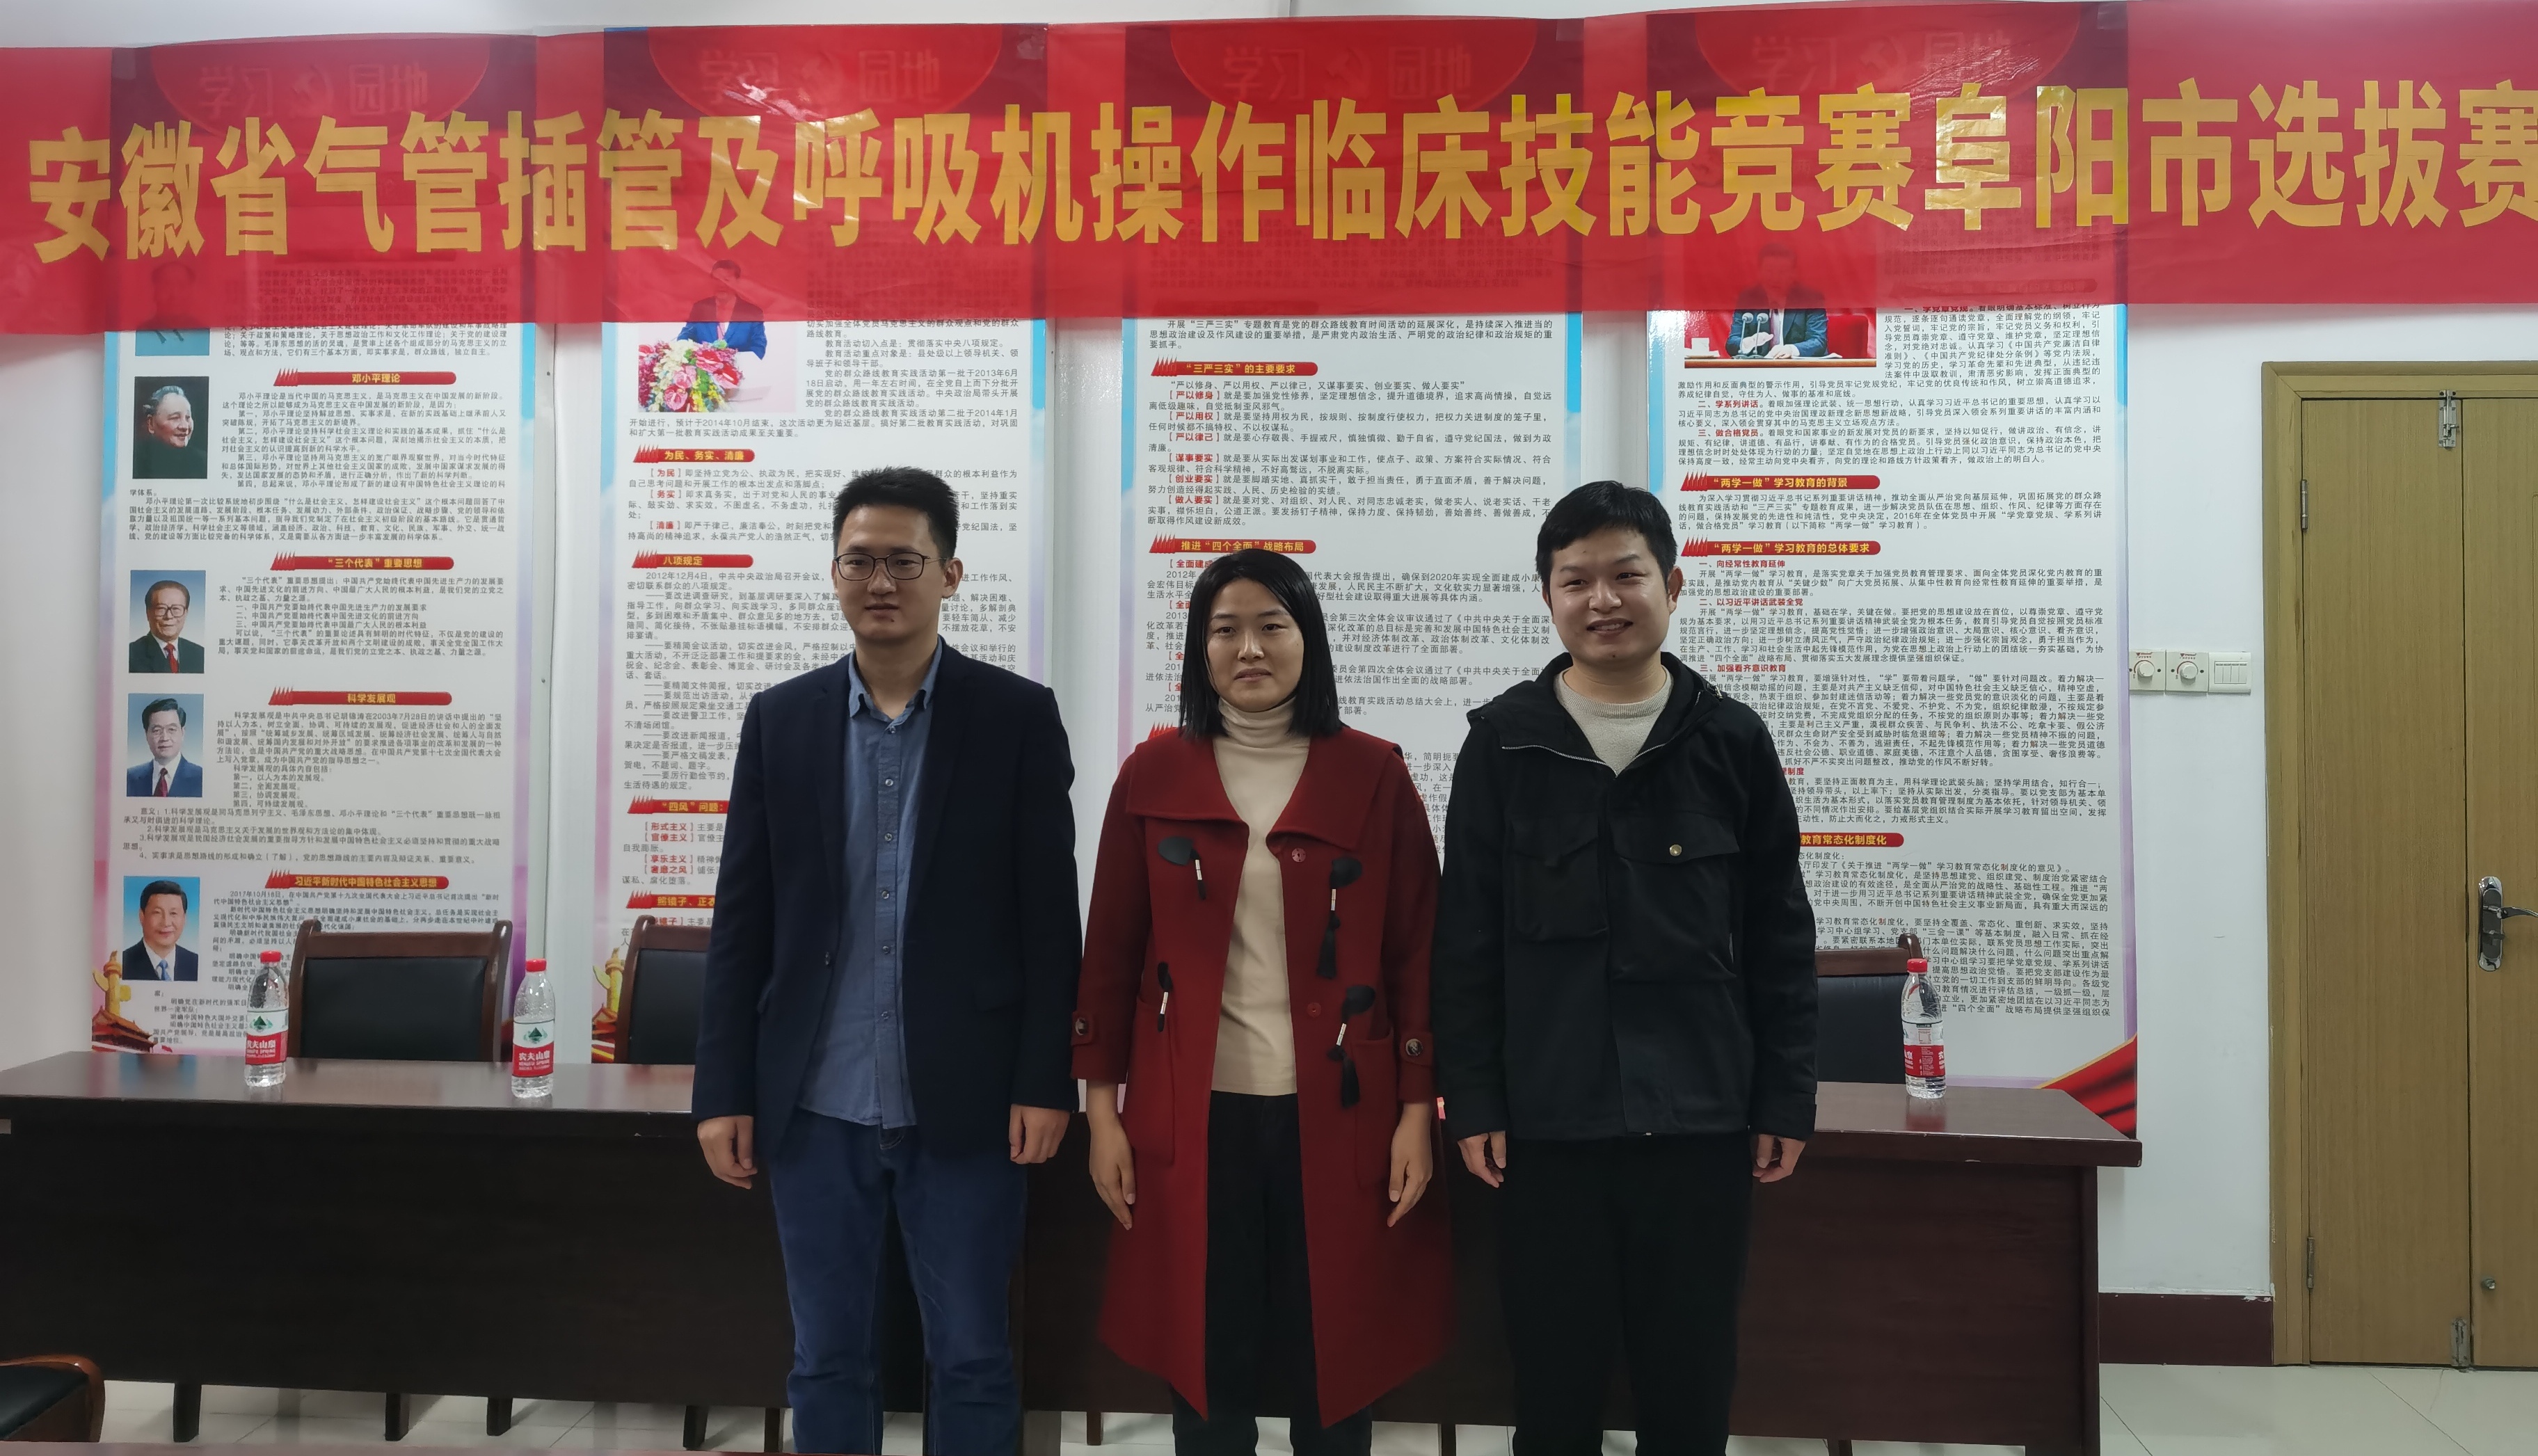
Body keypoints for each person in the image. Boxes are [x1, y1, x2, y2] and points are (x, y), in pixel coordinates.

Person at [692, 466, 1078, 1456]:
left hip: (969, 1102)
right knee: (826, 1356)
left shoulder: (1015, 717)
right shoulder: (780, 719)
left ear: (950, 573)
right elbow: (742, 922)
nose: (881, 582)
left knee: (973, 1355)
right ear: (833, 572)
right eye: (859, 561)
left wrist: (1045, 1079)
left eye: (905, 561)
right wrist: (721, 1090)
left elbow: (1049, 921)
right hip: (815, 1103)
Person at [1432, 481, 1817, 1456]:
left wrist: (1785, 1096)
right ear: (1549, 597)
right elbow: (1466, 939)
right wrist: (1473, 1098)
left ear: (1672, 586)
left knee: (1689, 1383)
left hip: (1700, 1120)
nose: (1602, 599)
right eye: (1576, 580)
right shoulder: (1502, 742)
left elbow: (1778, 934)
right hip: (1548, 1125)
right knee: (1554, 1387)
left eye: (1626, 575)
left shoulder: (1731, 740)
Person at [1074, 549, 1453, 1456]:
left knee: (1337, 1355)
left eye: (1271, 626)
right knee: (1209, 1357)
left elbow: (1417, 955)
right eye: (1225, 629)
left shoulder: (1374, 774)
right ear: (1200, 650)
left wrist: (1418, 1113)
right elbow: (1111, 954)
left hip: (1344, 1115)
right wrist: (1102, 1114)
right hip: (1192, 1115)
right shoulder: (1152, 775)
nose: (1249, 648)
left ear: (1307, 639)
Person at [1730, 241, 1828, 360]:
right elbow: (1732, 342)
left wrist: (1791, 350)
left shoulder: (1811, 299)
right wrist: (1747, 343)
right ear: (1759, 272)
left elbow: (1818, 341)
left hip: (1798, 367)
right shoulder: (1748, 299)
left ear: (1794, 273)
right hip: (1759, 368)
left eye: (1782, 272)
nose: (1775, 278)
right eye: (1769, 271)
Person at [679, 259, 769, 358]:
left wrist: (732, 360)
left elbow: (759, 347)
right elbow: (686, 336)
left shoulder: (752, 312)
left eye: (726, 280)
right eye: (717, 279)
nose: (721, 285)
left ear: (737, 281)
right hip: (705, 366)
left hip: (739, 366)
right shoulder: (700, 308)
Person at [122, 880, 198, 982]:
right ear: (142, 916)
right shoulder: (123, 963)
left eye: (173, 913)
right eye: (157, 913)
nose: (166, 923)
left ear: (184, 918)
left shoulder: (196, 964)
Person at [126, 698, 202, 798]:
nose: (165, 738)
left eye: (171, 729)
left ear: (183, 732)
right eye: (157, 731)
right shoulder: (130, 778)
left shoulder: (201, 778)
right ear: (146, 734)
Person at [129, 579, 204, 673]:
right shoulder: (131, 655)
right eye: (161, 609)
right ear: (148, 613)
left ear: (186, 613)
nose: (169, 616)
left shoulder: (200, 654)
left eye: (176, 609)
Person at [134, 383, 207, 479]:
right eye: (175, 418)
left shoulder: (202, 462)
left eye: (188, 417)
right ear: (151, 423)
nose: (185, 426)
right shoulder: (136, 460)